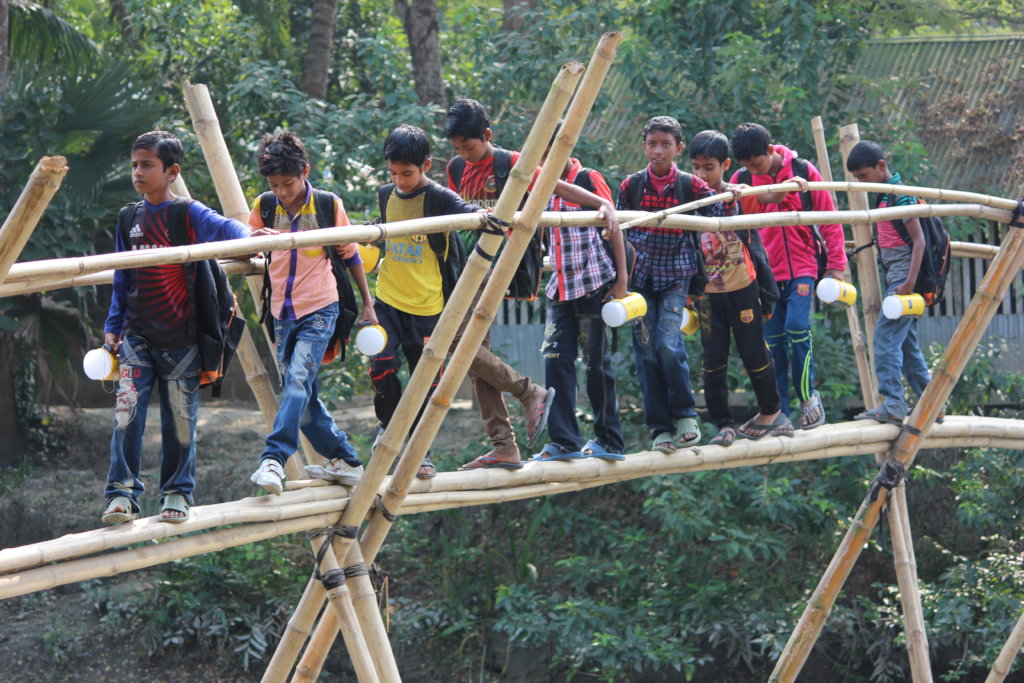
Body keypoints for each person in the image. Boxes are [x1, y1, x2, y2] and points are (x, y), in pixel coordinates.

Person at [102, 130, 276, 525]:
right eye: (134, 165)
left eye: (147, 165)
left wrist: (252, 236)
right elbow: (120, 276)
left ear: (171, 171)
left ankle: (177, 493)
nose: (138, 172)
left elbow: (226, 229)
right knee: (126, 414)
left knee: (180, 420)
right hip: (137, 335)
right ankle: (120, 495)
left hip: (181, 340)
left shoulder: (187, 213)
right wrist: (113, 323)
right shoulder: (129, 217)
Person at [444, 98, 622, 466]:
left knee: (456, 345)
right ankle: (504, 444)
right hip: (467, 264)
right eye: (458, 147)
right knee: (477, 357)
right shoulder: (456, 168)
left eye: (470, 145)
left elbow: (556, 187)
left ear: (487, 136)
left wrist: (601, 204)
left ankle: (529, 392)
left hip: (499, 263)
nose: (464, 153)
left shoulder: (511, 163)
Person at [248, 131, 375, 495]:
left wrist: (368, 304)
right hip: (281, 313)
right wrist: (254, 241)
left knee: (298, 381)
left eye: (287, 183)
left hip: (320, 306)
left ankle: (273, 458)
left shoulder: (326, 205)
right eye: (274, 184)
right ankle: (346, 459)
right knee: (300, 394)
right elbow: (248, 241)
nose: (282, 192)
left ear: (305, 171)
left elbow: (350, 254)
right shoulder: (266, 204)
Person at [615, 115, 735, 454]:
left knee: (668, 345)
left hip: (676, 278)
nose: (658, 151)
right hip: (640, 281)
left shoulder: (690, 186)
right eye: (652, 144)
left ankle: (684, 415)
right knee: (645, 352)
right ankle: (659, 428)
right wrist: (620, 280)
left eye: (665, 144)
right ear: (644, 147)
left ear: (677, 148)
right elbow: (618, 235)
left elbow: (719, 216)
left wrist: (730, 196)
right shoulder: (631, 186)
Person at [371, 124, 482, 476]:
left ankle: (421, 451)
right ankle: (389, 433)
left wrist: (487, 218)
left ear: (426, 166)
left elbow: (472, 214)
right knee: (382, 367)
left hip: (428, 308)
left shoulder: (438, 198)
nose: (400, 180)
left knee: (424, 383)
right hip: (387, 299)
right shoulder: (385, 195)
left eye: (407, 173)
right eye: (393, 173)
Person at [729, 122, 847, 430]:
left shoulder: (804, 172)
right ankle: (777, 412)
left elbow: (831, 220)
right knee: (773, 343)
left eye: (756, 164)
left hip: (804, 267)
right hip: (765, 274)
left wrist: (836, 264)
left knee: (797, 327)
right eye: (746, 167)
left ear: (769, 151)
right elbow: (731, 219)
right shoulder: (742, 179)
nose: (752, 171)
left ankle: (808, 399)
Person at [528, 124, 629, 463]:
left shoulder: (588, 178)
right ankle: (565, 440)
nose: (545, 160)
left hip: (594, 285)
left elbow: (613, 225)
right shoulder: (539, 184)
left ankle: (610, 440)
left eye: (550, 152)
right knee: (555, 360)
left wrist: (622, 282)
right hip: (561, 288)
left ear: (565, 149)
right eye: (540, 154)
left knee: (596, 364)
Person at [689, 130, 792, 443]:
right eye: (696, 167)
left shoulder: (738, 194)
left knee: (753, 351)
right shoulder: (688, 198)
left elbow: (772, 196)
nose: (701, 175)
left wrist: (791, 183)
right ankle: (723, 425)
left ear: (725, 165)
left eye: (709, 168)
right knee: (713, 359)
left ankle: (772, 411)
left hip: (743, 287)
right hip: (708, 295)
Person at [846, 140, 933, 425]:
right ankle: (932, 401)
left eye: (864, 176)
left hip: (903, 279)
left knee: (884, 338)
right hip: (896, 277)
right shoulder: (883, 198)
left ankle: (893, 402)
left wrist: (908, 283)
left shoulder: (900, 197)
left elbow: (919, 242)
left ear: (881, 166)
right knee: (906, 344)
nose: (862, 182)